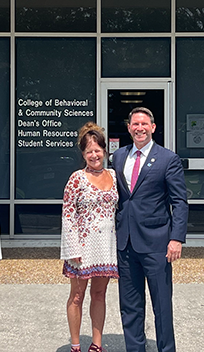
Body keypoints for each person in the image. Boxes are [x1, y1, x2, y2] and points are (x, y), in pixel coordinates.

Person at [112, 107, 189, 352]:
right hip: (126, 244)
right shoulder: (119, 157)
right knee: (130, 305)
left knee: (162, 306)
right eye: (135, 124)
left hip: (157, 244)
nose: (139, 128)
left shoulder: (168, 158)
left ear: (153, 127)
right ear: (129, 128)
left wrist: (176, 238)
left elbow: (179, 202)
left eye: (144, 124)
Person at [60, 122, 118, 352]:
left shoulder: (113, 175)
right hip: (82, 248)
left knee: (99, 294)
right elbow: (67, 214)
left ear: (104, 151)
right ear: (83, 154)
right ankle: (76, 345)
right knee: (77, 295)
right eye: (89, 151)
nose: (94, 155)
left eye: (98, 150)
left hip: (105, 247)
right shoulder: (76, 179)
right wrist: (72, 249)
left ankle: (96, 344)